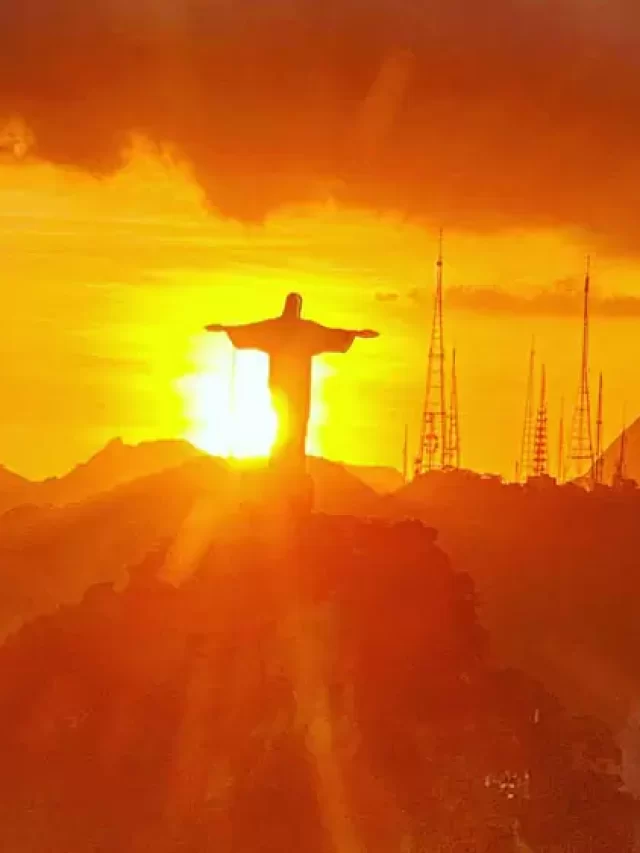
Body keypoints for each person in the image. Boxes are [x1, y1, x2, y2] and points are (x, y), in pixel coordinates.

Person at [205, 293, 378, 477]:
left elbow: (251, 331)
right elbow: (331, 335)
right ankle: (286, 463)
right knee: (290, 421)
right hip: (290, 385)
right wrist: (227, 329)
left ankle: (290, 464)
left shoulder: (288, 329)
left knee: (293, 422)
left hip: (287, 384)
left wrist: (356, 333)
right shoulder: (294, 329)